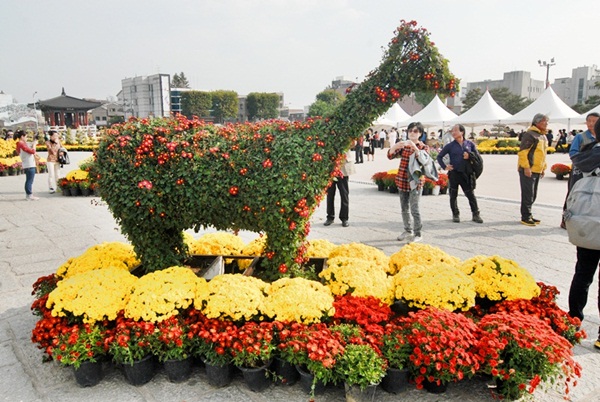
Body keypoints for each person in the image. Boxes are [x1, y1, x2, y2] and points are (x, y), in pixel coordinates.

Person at [567, 117, 600, 350]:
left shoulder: (583, 155)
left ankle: (573, 321)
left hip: (585, 223)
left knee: (583, 274)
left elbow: (572, 187)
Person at [387, 121, 431, 243]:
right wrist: (395, 146)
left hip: (415, 182)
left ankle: (418, 233)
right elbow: (390, 156)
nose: (412, 133)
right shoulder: (404, 146)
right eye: (410, 130)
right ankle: (408, 230)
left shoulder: (423, 147)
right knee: (404, 208)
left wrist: (415, 148)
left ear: (420, 134)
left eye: (415, 131)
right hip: (402, 180)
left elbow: (424, 160)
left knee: (415, 209)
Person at [560, 112, 600, 228]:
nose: (591, 124)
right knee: (574, 194)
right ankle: (566, 219)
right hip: (580, 171)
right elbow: (573, 153)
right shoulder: (581, 137)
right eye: (589, 121)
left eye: (594, 121)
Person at [437, 124, 483, 223]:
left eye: (455, 131)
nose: (453, 133)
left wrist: (469, 156)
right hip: (454, 174)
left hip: (466, 174)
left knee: (470, 195)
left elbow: (478, 157)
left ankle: (476, 214)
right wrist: (445, 166)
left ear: (462, 132)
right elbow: (439, 156)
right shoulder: (450, 146)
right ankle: (455, 214)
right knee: (453, 195)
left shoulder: (470, 144)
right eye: (452, 131)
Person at [517, 113, 548, 226]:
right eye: (545, 121)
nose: (546, 123)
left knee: (533, 194)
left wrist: (543, 167)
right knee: (528, 194)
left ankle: (529, 214)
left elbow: (543, 154)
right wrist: (526, 167)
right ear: (537, 122)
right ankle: (525, 216)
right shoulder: (530, 135)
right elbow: (522, 153)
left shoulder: (542, 136)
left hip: (537, 169)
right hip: (528, 169)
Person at [324, 151, 355, 227]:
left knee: (344, 194)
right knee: (330, 194)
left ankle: (344, 218)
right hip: (330, 165)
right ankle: (330, 217)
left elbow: (353, 144)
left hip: (343, 166)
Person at [15, 129, 39, 201]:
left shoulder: (20, 144)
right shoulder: (21, 144)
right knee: (29, 180)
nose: (26, 138)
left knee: (28, 180)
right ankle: (29, 194)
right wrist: (34, 145)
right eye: (26, 137)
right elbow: (32, 151)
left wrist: (33, 143)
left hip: (27, 163)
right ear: (22, 136)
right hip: (29, 164)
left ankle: (28, 194)